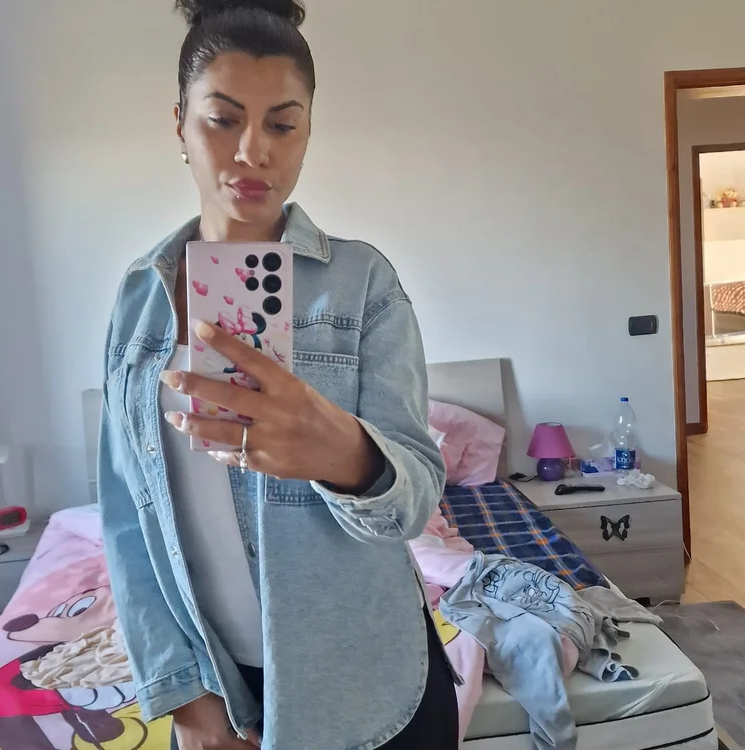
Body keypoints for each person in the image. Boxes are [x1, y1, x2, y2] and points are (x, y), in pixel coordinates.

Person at [98, 1, 457, 747]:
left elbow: (415, 501)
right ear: (180, 126)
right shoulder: (139, 298)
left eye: (283, 125)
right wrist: (186, 699)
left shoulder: (363, 284)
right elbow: (127, 515)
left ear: (308, 133)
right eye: (222, 120)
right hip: (215, 685)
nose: (253, 151)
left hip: (367, 684)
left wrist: (347, 456)